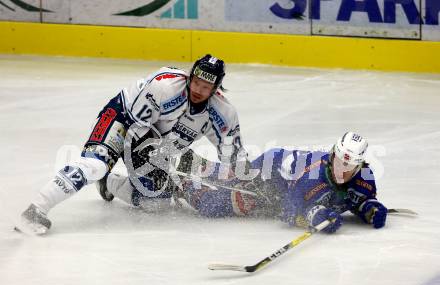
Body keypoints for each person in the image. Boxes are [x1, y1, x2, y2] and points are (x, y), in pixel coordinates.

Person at [17, 54, 247, 235]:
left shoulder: (223, 114)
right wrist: (154, 162)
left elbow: (235, 158)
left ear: (216, 88)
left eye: (206, 87)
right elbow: (136, 130)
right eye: (196, 82)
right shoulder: (164, 86)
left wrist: (253, 185)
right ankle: (36, 208)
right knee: (95, 165)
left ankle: (110, 183)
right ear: (190, 76)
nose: (198, 90)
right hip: (123, 118)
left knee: (156, 204)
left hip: (154, 142)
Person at [178, 132, 388, 233]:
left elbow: (361, 200)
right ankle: (182, 180)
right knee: (217, 202)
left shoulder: (365, 178)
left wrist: (369, 209)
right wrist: (313, 215)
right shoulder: (310, 178)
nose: (342, 170)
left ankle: (193, 170)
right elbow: (286, 210)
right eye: (339, 162)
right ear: (333, 156)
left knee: (225, 192)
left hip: (286, 187)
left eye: (349, 167)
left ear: (360, 167)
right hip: (272, 174)